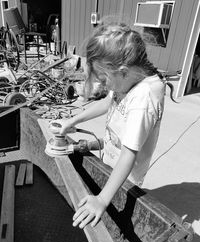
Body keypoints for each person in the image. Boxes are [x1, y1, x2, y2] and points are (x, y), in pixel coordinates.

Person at [50, 22, 175, 229]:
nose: (103, 86)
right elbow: (109, 101)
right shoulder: (127, 80)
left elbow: (129, 154)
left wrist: (101, 199)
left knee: (114, 211)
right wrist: (71, 121)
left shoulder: (144, 99)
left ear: (123, 71)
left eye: (104, 80)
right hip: (110, 160)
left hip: (126, 175)